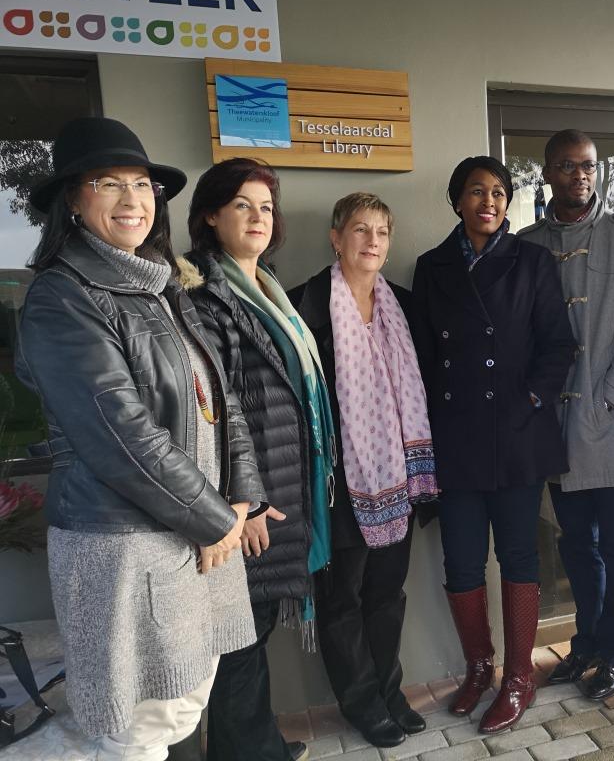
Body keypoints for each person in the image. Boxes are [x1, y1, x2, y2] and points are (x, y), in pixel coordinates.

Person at [15, 117, 265, 760]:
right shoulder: (62, 297)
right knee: (139, 730)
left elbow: (220, 397)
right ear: (72, 198)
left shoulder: (156, 282)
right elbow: (122, 437)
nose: (133, 200)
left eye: (142, 183)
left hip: (194, 533)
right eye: (108, 183)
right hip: (128, 548)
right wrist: (217, 522)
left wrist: (244, 500)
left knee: (183, 706)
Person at [411, 156, 574, 732]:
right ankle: (479, 667)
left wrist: (531, 400)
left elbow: (559, 345)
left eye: (500, 192)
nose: (490, 201)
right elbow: (425, 360)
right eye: (477, 191)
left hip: (517, 437)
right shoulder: (431, 268)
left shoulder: (531, 261)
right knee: (460, 560)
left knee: (519, 557)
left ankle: (520, 676)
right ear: (457, 200)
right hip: (455, 439)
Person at [181, 158, 336, 761]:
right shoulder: (203, 296)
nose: (257, 216)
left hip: (282, 488)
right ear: (211, 216)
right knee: (239, 637)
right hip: (250, 502)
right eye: (242, 205)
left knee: (257, 626)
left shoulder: (268, 290)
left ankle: (257, 743)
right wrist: (241, 505)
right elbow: (216, 413)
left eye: (266, 206)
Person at [519, 130, 614, 700]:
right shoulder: (526, 244)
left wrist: (606, 398)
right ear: (547, 172)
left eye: (588, 166)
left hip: (607, 426)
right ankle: (586, 642)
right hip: (550, 429)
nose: (580, 175)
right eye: (567, 166)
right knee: (575, 544)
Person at [294, 192, 436, 748]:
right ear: (336, 237)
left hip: (394, 479)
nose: (371, 241)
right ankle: (360, 702)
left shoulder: (402, 304)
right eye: (359, 230)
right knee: (342, 598)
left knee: (387, 592)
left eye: (381, 231)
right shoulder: (305, 306)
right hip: (337, 480)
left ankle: (389, 690)